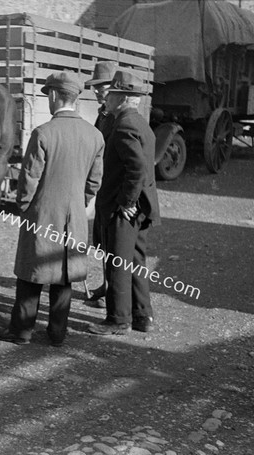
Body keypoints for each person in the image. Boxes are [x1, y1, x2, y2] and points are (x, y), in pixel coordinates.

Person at [0, 71, 104, 347]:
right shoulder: (95, 135)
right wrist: (80, 203)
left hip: (41, 214)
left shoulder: (43, 133)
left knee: (32, 273)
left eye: (48, 96)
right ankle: (57, 333)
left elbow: (29, 178)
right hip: (74, 215)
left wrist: (23, 208)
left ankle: (21, 330)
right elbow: (94, 181)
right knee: (64, 273)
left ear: (54, 96)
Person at [87, 70, 160, 336]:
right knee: (135, 261)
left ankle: (118, 320)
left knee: (117, 261)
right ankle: (143, 316)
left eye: (112, 93)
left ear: (124, 97)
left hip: (124, 208)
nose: (107, 98)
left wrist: (126, 201)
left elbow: (137, 168)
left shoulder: (124, 125)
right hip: (141, 206)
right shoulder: (139, 122)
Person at [84, 61, 118, 308]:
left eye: (102, 87)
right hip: (103, 184)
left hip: (114, 186)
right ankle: (106, 286)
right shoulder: (103, 113)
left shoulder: (116, 116)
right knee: (102, 238)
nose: (97, 91)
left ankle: (112, 293)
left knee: (113, 242)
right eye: (95, 87)